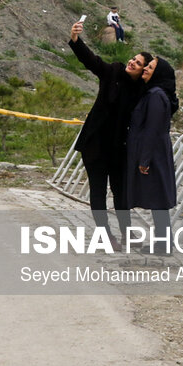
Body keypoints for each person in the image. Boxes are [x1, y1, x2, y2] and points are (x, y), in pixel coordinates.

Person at [68, 20, 152, 250]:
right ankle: (105, 236)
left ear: (144, 71)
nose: (132, 63)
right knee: (98, 191)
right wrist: (76, 40)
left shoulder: (142, 91)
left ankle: (126, 233)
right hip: (95, 143)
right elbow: (92, 62)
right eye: (133, 59)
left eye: (138, 63)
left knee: (120, 193)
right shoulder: (113, 70)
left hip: (118, 147)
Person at [126, 57, 179, 255]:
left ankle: (164, 245)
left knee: (158, 202)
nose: (146, 69)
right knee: (158, 201)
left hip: (154, 154)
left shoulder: (156, 95)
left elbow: (153, 129)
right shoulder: (154, 93)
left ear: (158, 73)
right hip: (155, 152)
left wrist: (144, 160)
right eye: (146, 66)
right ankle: (162, 243)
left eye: (150, 67)